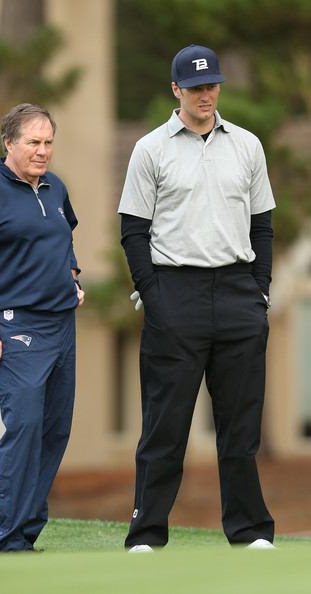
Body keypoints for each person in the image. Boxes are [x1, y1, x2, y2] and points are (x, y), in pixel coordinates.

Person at [118, 45, 276, 551]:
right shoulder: (150, 149)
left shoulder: (248, 145)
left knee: (240, 426)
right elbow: (133, 232)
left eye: (212, 86)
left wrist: (260, 290)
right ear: (175, 90)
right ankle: (146, 532)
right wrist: (154, 297)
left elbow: (263, 226)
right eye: (195, 87)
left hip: (238, 293)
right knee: (165, 425)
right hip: (175, 294)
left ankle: (249, 529)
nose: (206, 95)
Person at [0, 103, 84, 553]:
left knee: (53, 430)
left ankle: (25, 532)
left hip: (62, 326)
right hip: (13, 327)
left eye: (48, 143)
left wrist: (73, 277)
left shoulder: (56, 188)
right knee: (24, 425)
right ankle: (7, 538)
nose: (43, 151)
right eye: (33, 143)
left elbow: (64, 241)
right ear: (8, 143)